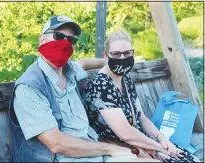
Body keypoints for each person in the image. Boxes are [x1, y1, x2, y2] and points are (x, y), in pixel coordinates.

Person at [8, 16, 159, 162]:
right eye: (59, 36)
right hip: (63, 158)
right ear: (42, 39)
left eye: (71, 39)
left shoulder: (70, 70)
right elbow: (56, 143)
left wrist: (114, 60)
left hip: (93, 151)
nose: (65, 43)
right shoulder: (29, 87)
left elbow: (83, 63)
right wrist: (110, 149)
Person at [84, 30, 200, 162]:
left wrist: (162, 138)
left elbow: (141, 116)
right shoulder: (101, 86)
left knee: (189, 158)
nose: (122, 58)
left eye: (127, 53)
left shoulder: (125, 80)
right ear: (106, 56)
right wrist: (160, 148)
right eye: (116, 54)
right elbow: (126, 134)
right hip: (119, 149)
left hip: (142, 143)